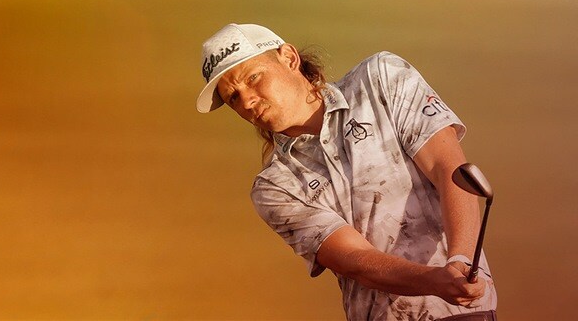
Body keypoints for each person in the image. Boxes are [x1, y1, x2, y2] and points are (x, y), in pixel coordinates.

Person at [196, 23, 497, 321]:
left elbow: (448, 169)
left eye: (253, 77)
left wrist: (460, 259)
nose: (247, 101)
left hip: (464, 314)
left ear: (289, 58)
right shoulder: (274, 186)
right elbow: (355, 260)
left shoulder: (381, 78)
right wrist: (433, 281)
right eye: (233, 97)